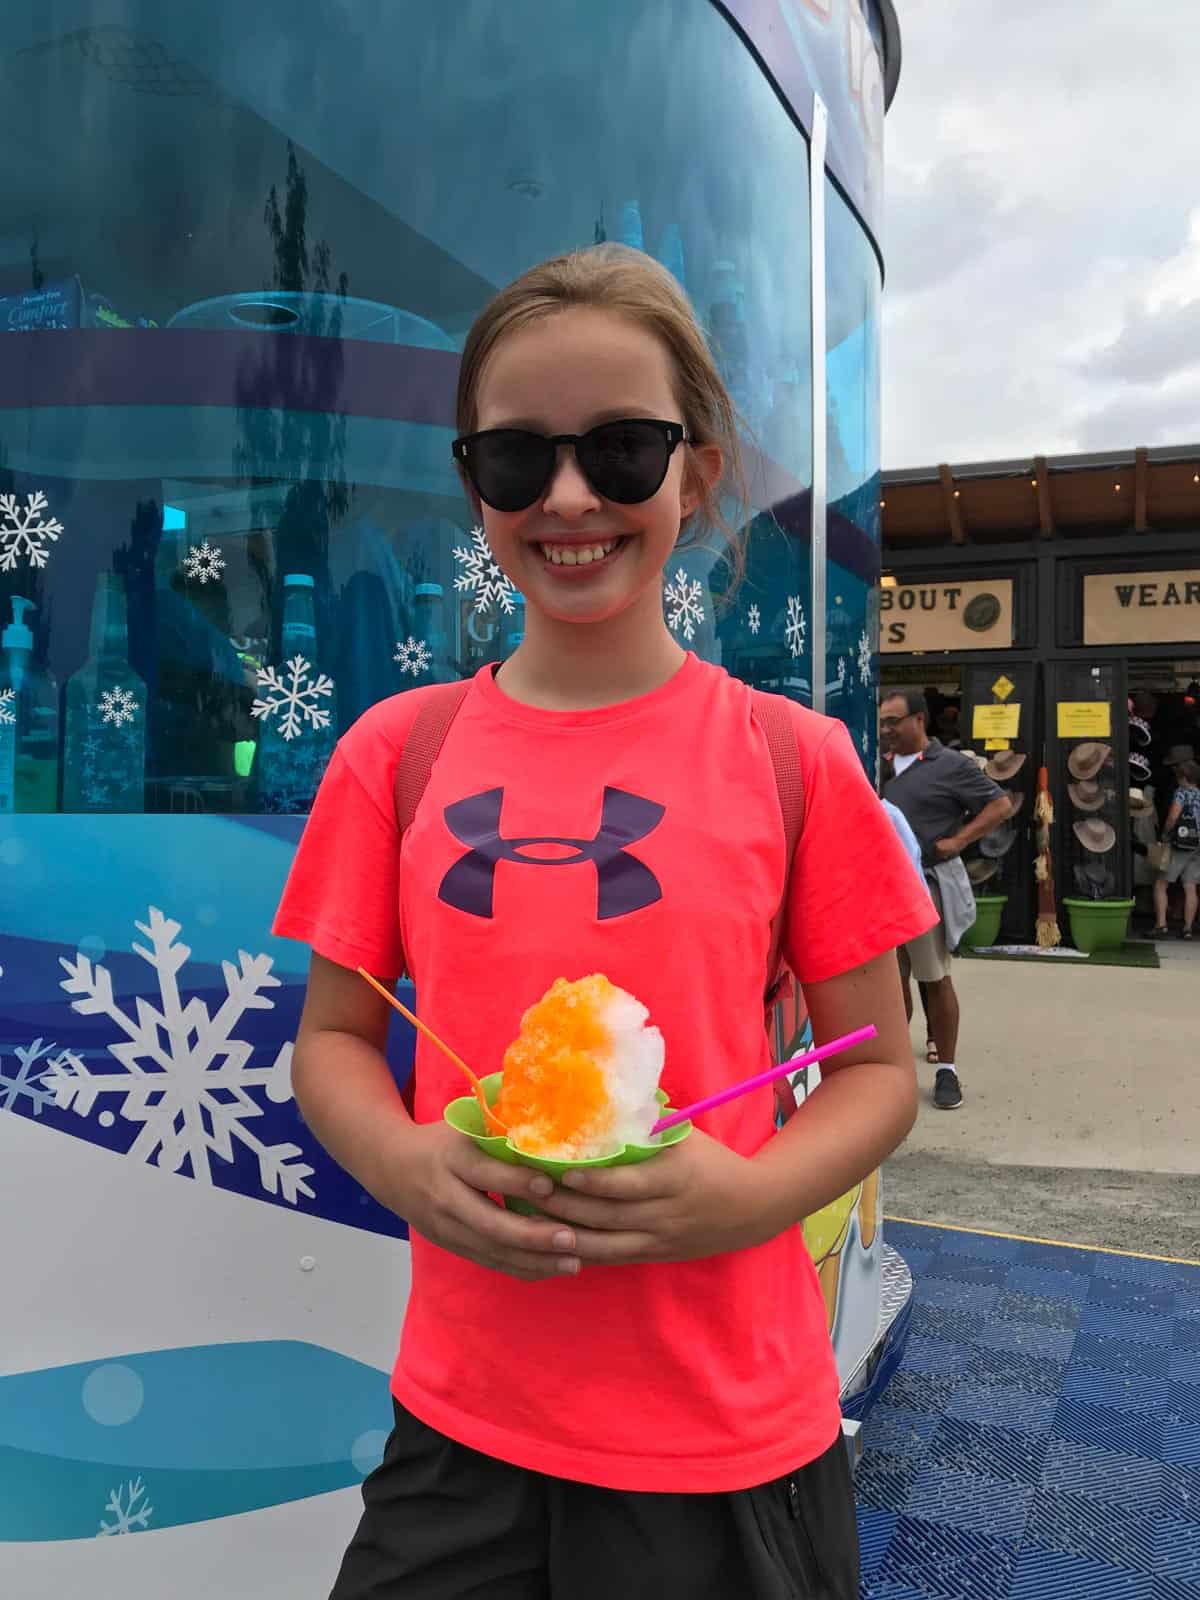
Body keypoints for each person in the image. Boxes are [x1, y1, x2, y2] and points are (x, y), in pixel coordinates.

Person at [273, 244, 937, 1600]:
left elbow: (879, 1070)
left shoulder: (791, 760)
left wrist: (745, 1198)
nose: (569, 498)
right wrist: (402, 1163)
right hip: (462, 1424)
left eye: (624, 450)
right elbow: (335, 1040)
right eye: (519, 460)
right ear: (474, 486)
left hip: (727, 1436)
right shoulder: (397, 755)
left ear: (695, 472)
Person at [879, 690, 1013, 1110]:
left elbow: (1000, 804)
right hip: (876, 890)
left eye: (893, 722)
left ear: (919, 720)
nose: (886, 730)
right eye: (882, 722)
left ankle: (947, 1071)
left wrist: (958, 840)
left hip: (925, 888)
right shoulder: (872, 761)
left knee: (933, 979)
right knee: (887, 985)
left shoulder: (950, 764)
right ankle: (891, 1072)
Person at [1152, 758, 1200, 939]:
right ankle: (1188, 928)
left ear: (1184, 777)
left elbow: (1172, 817)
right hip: (1197, 845)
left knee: (1161, 883)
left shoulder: (1182, 793)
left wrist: (1164, 835)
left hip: (1180, 845)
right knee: (1190, 886)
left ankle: (1161, 925)